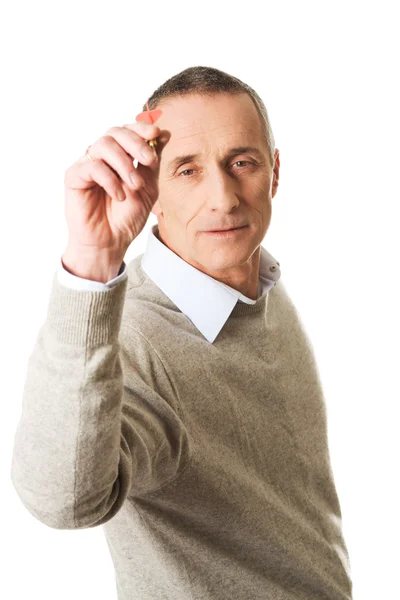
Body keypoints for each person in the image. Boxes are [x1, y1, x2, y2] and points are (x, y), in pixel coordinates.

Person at [10, 65, 353, 599]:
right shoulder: (134, 347)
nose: (223, 198)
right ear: (152, 192)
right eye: (188, 170)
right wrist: (91, 261)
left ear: (276, 172)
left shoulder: (260, 283)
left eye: (242, 163)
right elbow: (64, 499)